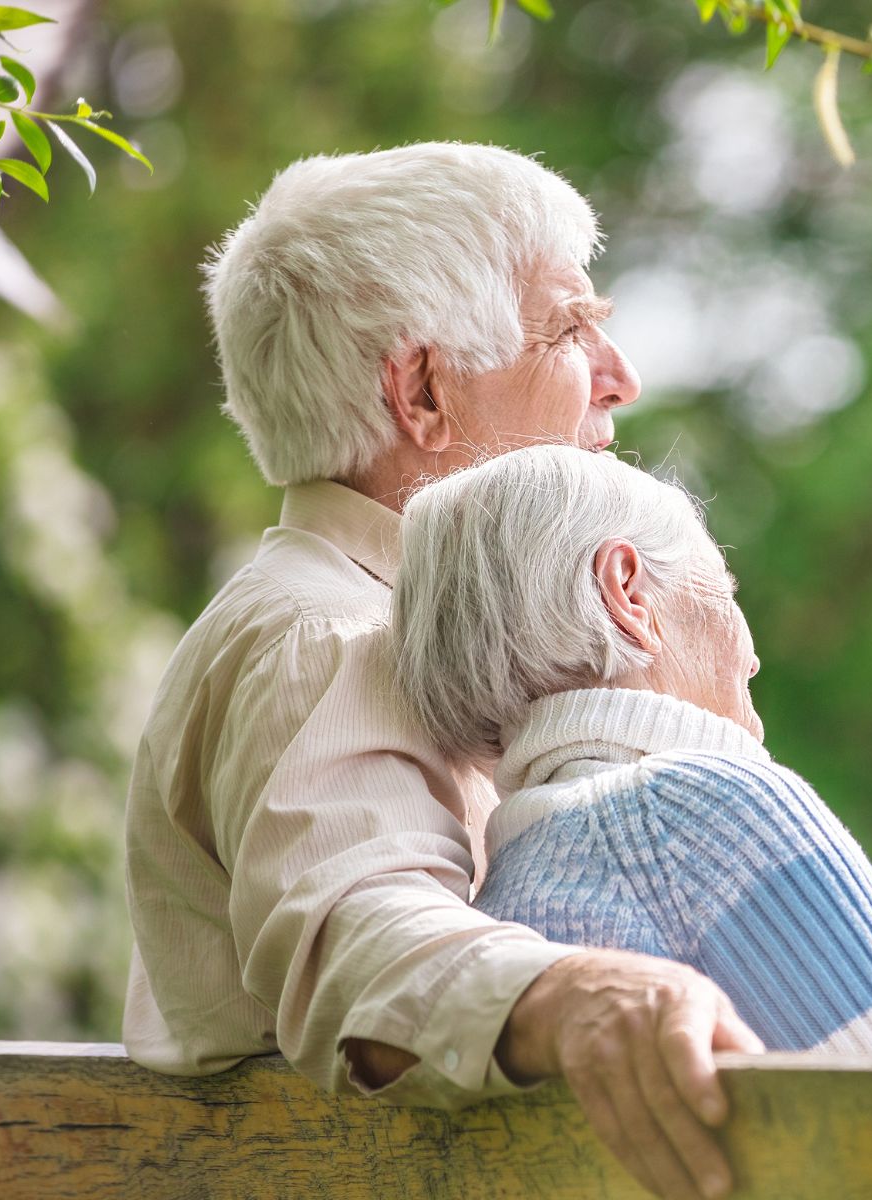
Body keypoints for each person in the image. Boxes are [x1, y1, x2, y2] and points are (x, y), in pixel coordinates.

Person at [122, 142, 760, 1200]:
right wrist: (578, 993)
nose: (621, 377)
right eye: (569, 329)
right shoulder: (327, 636)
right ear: (421, 392)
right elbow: (355, 938)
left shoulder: (382, 621)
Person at [390, 445, 872, 1056]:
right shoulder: (705, 810)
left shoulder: (497, 899)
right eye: (725, 589)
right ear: (627, 594)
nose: (752, 655)